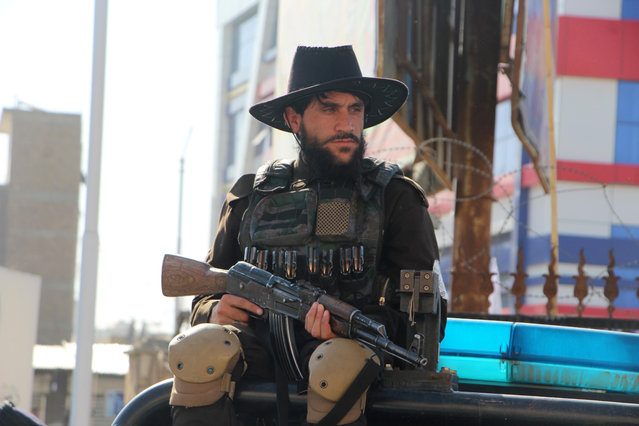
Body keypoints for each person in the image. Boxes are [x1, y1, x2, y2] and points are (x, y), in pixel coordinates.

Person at [168, 45, 447, 426]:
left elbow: (423, 315)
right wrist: (214, 310)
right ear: (293, 118)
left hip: (349, 362)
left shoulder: (394, 197)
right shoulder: (252, 195)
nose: (346, 124)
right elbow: (206, 290)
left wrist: (351, 323)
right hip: (257, 352)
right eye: (329, 108)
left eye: (355, 109)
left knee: (337, 364)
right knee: (199, 348)